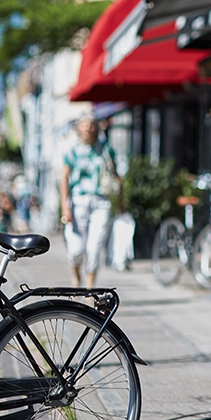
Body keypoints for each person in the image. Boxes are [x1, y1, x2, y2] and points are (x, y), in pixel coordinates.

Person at [60, 113, 120, 289]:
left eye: (91, 124)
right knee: (76, 249)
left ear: (96, 128)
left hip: (101, 202)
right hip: (78, 201)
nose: (88, 128)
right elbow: (64, 178)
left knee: (94, 248)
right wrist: (65, 207)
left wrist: (121, 202)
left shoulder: (106, 149)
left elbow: (115, 175)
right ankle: (76, 274)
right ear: (79, 128)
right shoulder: (72, 151)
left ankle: (89, 289)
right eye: (84, 124)